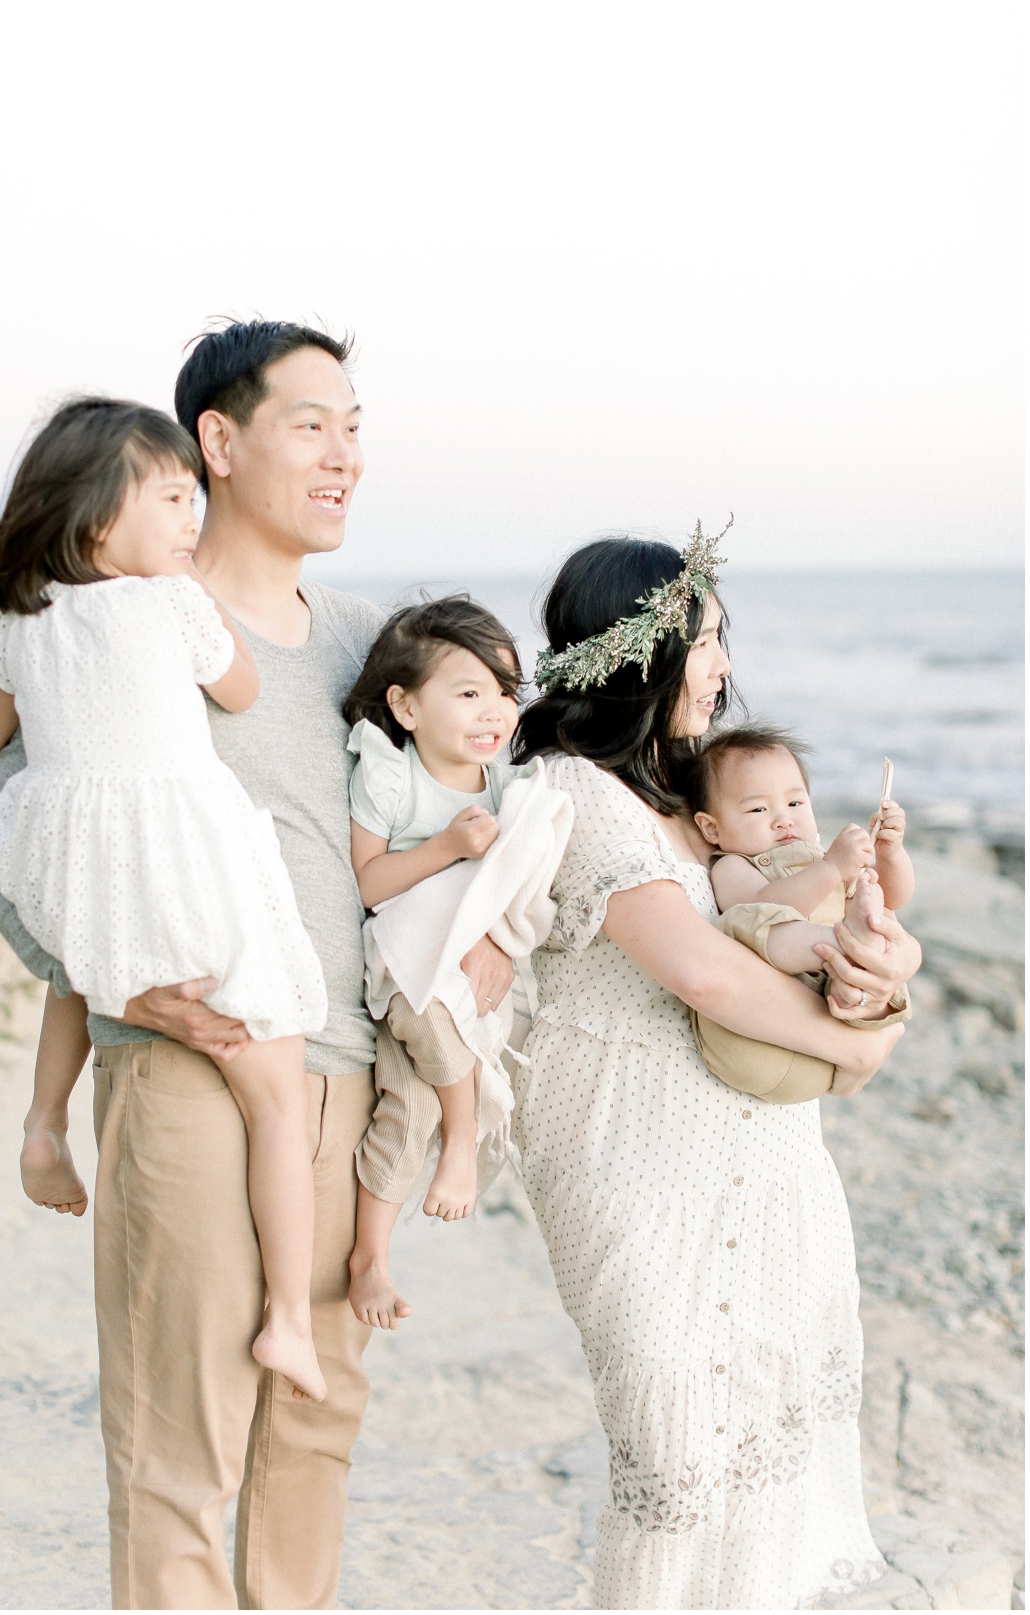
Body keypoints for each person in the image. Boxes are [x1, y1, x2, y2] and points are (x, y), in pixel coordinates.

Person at [0, 319, 514, 1610]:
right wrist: (105, 977)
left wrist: (486, 931)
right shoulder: (110, 623)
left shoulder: (374, 641)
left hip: (350, 1073)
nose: (345, 455)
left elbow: (465, 812)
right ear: (216, 442)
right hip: (188, 1063)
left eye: (356, 426)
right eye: (311, 424)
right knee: (180, 1440)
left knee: (313, 1428)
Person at [512, 526, 921, 1609]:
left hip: (768, 1154)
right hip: (630, 1159)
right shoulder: (576, 792)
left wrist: (880, 970)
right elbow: (706, 974)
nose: (725, 661)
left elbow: (797, 915)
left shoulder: (694, 784)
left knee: (769, 1422)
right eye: (708, 637)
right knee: (676, 1450)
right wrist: (859, 1052)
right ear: (641, 648)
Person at [0, 395, 334, 1400]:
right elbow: (244, 692)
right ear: (98, 518)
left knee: (80, 967)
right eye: (175, 499)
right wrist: (208, 616)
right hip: (183, 853)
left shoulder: (27, 616)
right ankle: (291, 1321)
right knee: (276, 1090)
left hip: (61, 849)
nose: (193, 519)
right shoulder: (173, 604)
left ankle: (44, 1122)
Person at [341, 596, 522, 1329]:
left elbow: (517, 887)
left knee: (403, 1109)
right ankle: (465, 1137)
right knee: (426, 1022)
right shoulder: (388, 775)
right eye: (470, 691)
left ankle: (370, 1257)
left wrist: (497, 939)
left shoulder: (507, 787)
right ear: (406, 706)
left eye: (506, 693)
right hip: (400, 961)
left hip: (459, 968)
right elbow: (368, 882)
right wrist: (446, 846)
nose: (494, 712)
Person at [683, 722, 915, 1102]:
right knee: (746, 921)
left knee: (880, 911)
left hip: (828, 1023)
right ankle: (843, 943)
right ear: (711, 828)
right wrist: (830, 871)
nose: (783, 818)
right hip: (754, 1041)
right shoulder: (733, 865)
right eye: (759, 808)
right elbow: (765, 907)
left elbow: (897, 896)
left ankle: (851, 959)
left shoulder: (822, 858)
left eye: (795, 803)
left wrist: (890, 854)